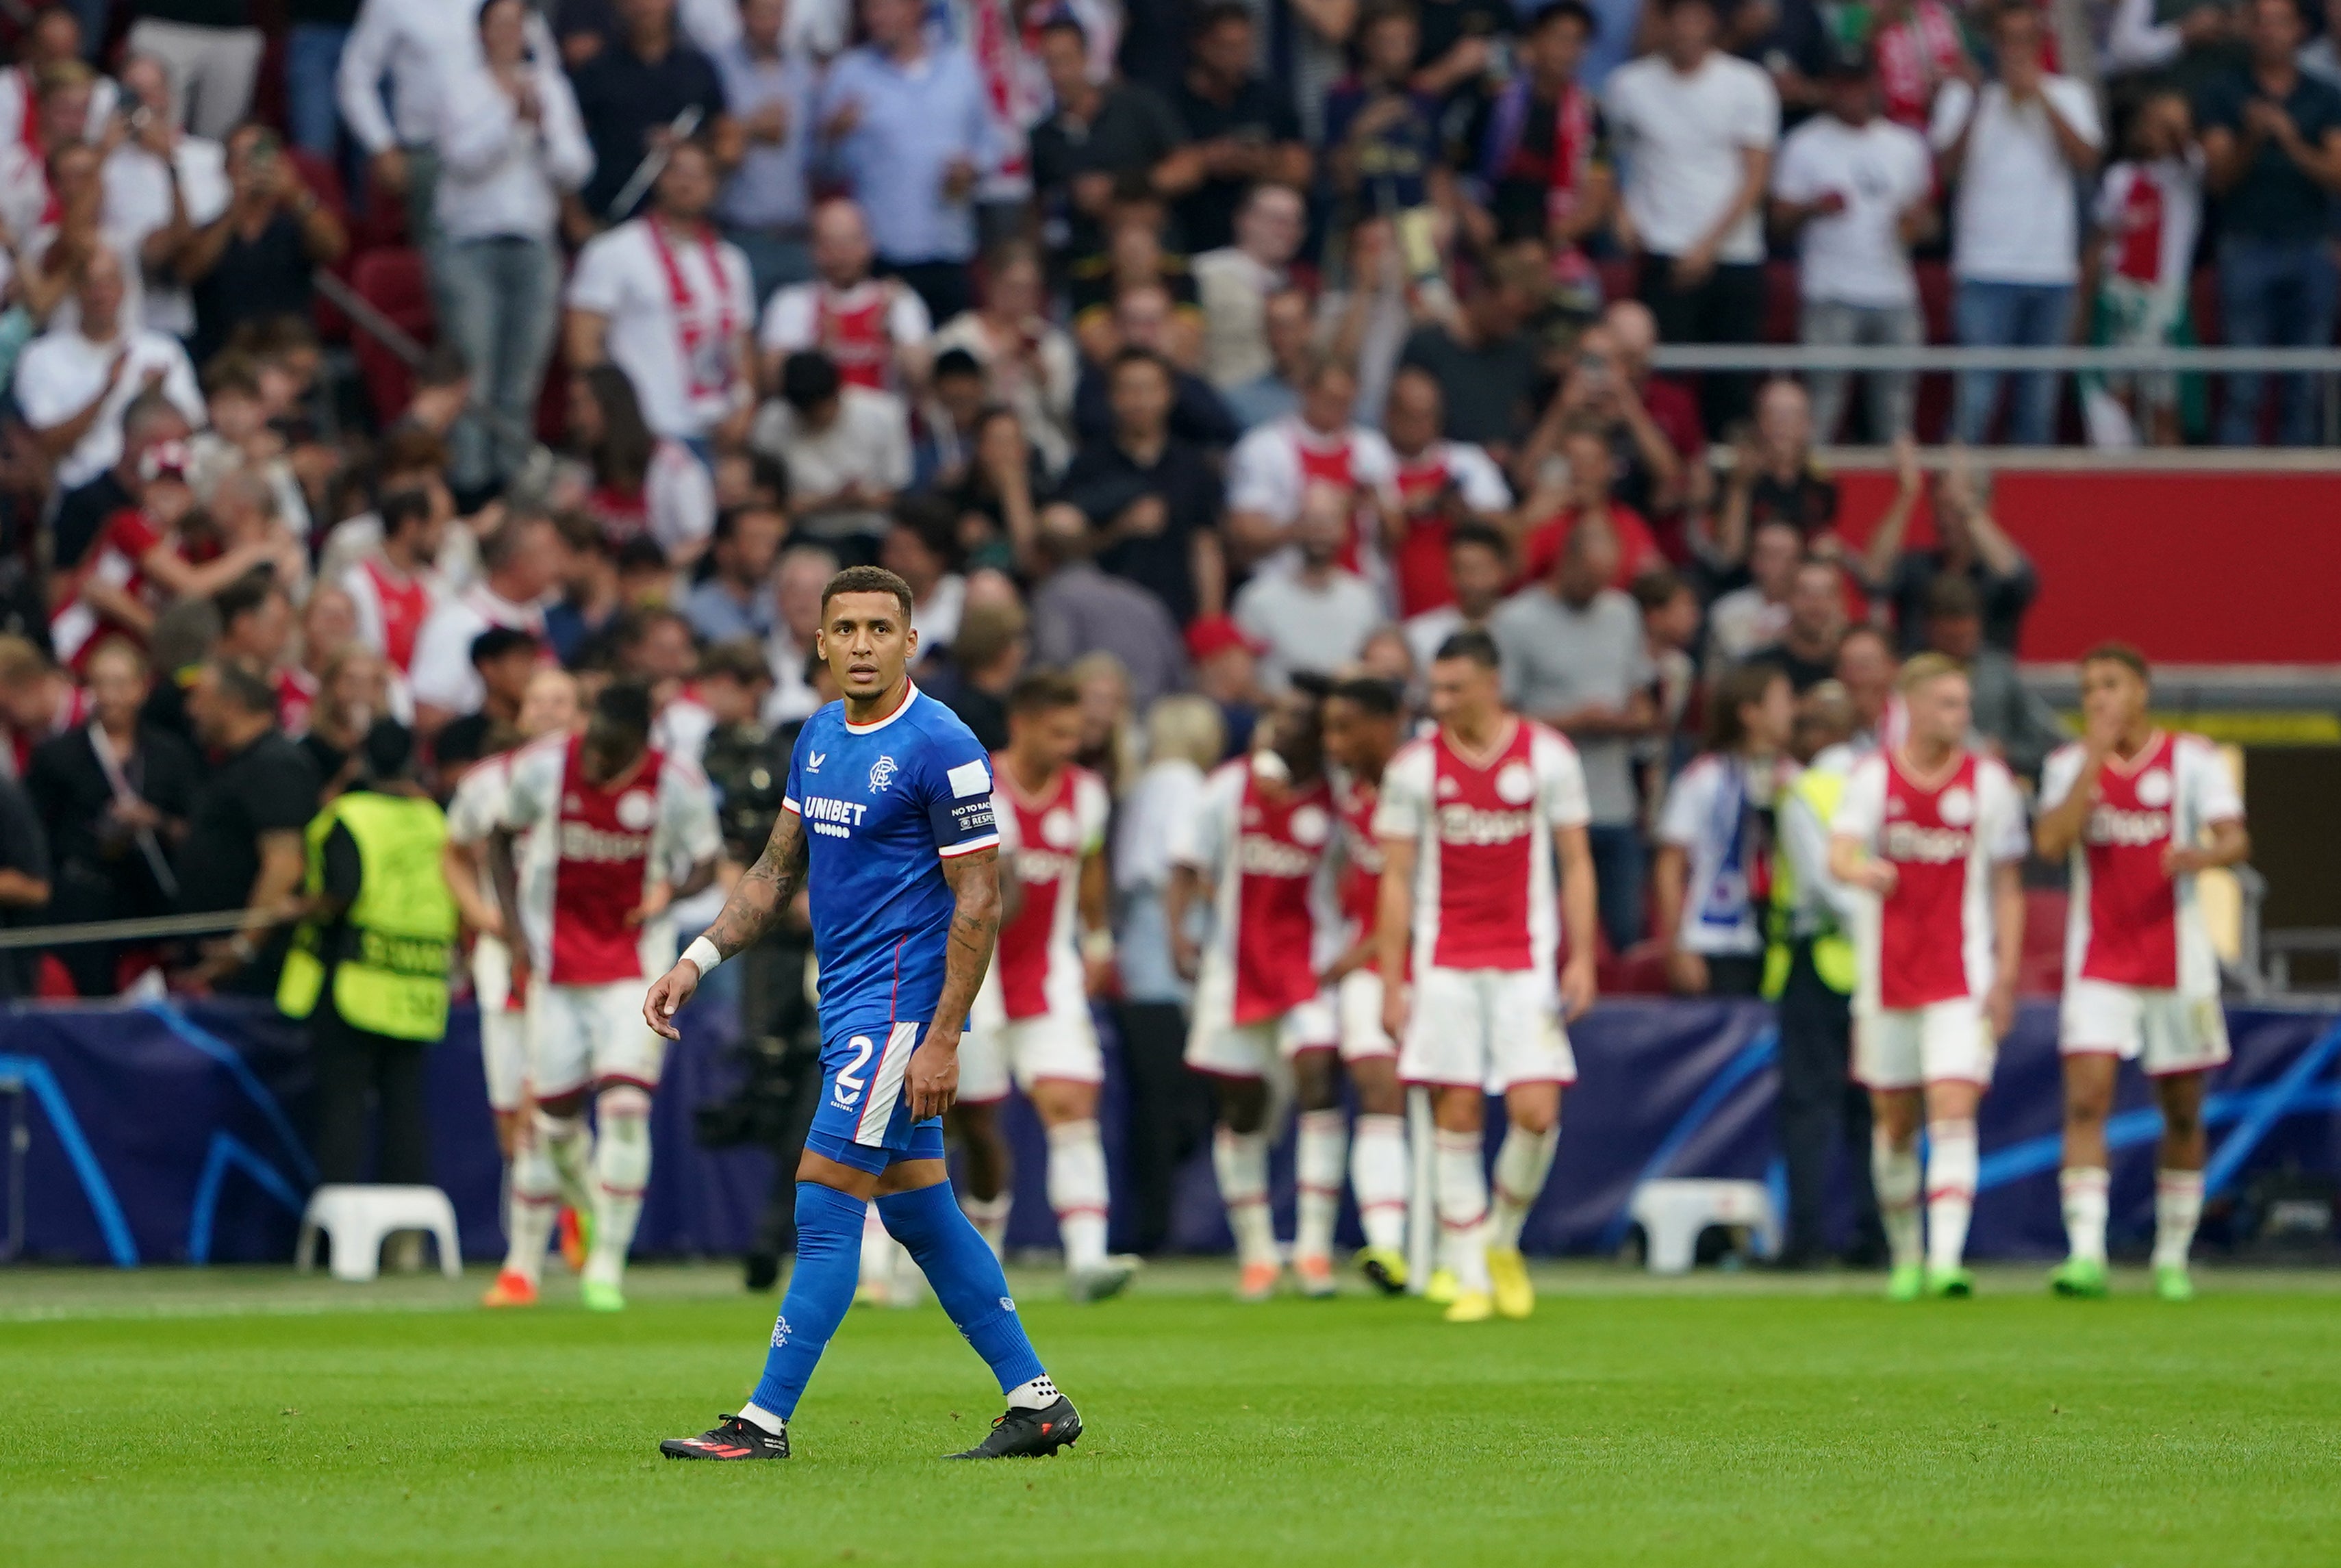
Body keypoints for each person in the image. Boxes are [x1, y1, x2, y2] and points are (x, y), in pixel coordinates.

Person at [647, 564, 1085, 1463]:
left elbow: (979, 899)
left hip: (897, 1011)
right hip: (846, 1001)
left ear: (908, 640)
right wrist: (696, 957)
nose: (859, 645)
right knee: (922, 1212)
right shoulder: (814, 735)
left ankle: (761, 1420)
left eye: (878, 629)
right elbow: (774, 870)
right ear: (818, 640)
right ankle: (1037, 1401)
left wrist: (939, 1038)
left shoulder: (943, 744)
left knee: (823, 1196)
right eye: (843, 628)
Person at [1376, 629, 1598, 1323]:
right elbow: (1395, 876)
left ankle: (1500, 1239)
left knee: (1537, 1113)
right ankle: (1469, 1272)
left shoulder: (1547, 755)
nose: (1439, 701)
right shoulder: (1414, 766)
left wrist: (1582, 955)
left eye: (1453, 688)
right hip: (1443, 964)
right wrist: (1392, 979)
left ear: (1491, 684)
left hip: (1524, 962)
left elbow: (1576, 861)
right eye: (1434, 688)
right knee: (1458, 1111)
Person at [482, 681, 720, 1311]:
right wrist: (513, 934)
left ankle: (606, 1267)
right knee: (552, 1125)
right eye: (594, 749)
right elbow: (497, 839)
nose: (598, 764)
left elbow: (705, 859)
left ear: (640, 745)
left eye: (613, 754)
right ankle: (587, 1208)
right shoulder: (543, 769)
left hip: (631, 976)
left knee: (622, 1110)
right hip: (556, 975)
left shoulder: (677, 785)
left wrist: (669, 891)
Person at [2034, 644, 2249, 1304]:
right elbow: (2050, 843)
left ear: (2141, 691)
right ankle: (2086, 1254)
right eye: (2087, 688)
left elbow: (2236, 838)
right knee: (2085, 1098)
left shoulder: (2192, 760)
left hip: (2176, 963)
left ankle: (2171, 1254)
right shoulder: (2068, 765)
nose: (2098, 698)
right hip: (2097, 961)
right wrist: (2093, 759)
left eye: (2110, 685)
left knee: (2181, 1111)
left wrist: (2201, 857)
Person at [1827, 654, 2027, 1302]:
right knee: (1893, 1122)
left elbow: (2007, 886)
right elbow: (1839, 855)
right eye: (1946, 703)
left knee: (1952, 1105)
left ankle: (1945, 1258)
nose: (1959, 716)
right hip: (1885, 977)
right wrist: (1862, 871)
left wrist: (2003, 977)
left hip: (1960, 976)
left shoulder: (1989, 784)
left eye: (1963, 705)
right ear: (1909, 705)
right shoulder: (1870, 778)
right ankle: (1906, 1253)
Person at [950, 672, 1135, 1302]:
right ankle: (977, 1262)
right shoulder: (975, 784)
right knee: (971, 1124)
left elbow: (1089, 869)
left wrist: (1099, 943)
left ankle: (1088, 1259)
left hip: (1049, 977)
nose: (1069, 746)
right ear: (1022, 724)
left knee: (1071, 1106)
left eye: (1075, 734)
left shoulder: (1086, 794)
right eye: (1057, 733)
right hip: (977, 979)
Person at [1168, 680, 1343, 1300]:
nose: (1287, 729)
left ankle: (1316, 1251)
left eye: (1303, 720)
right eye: (1282, 717)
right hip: (1234, 967)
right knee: (1241, 1108)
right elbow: (1187, 864)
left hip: (1312, 968)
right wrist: (1179, 936)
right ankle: (1259, 1253)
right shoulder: (1228, 786)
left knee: (1318, 1076)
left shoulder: (1339, 795)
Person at [275, 719, 456, 1187]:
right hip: (418, 982)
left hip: (355, 982)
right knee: (406, 1109)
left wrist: (297, 906)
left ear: (362, 760)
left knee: (343, 1107)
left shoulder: (350, 815)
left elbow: (342, 891)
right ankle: (407, 1236)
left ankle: (339, 1229)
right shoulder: (434, 819)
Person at [432, 0, 594, 496]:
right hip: (469, 247)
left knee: (521, 380)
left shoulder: (550, 86)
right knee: (474, 378)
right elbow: (462, 160)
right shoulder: (458, 87)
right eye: (498, 24)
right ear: (480, 32)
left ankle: (510, 490)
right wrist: (512, 121)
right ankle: (469, 485)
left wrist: (541, 126)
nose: (508, 33)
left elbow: (576, 167)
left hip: (533, 243)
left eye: (516, 24)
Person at [442, 668, 581, 1241]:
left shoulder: (596, 783)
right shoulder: (485, 783)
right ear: (520, 715)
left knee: (542, 1102)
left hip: (569, 960)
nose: (548, 711)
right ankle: (582, 1205)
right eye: (537, 701)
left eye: (561, 701)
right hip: (503, 960)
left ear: (579, 716)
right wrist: (484, 916)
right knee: (509, 1118)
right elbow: (451, 854)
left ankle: (529, 1252)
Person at [1604, 0, 1780, 433]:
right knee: (1661, 380)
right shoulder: (1628, 86)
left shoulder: (1747, 84)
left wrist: (1707, 246)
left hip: (1734, 255)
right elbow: (1604, 158)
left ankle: (1728, 487)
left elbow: (1756, 175)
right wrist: (1620, 211)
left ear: (1712, 23)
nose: (1687, 28)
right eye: (1677, 16)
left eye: (1697, 17)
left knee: (1731, 383)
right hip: (1661, 251)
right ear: (1662, 23)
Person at [1931, 0, 2102, 446]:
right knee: (1974, 404)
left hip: (2051, 274)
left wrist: (2040, 96)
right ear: (1993, 44)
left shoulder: (2068, 94)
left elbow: (2086, 161)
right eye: (2006, 41)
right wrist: (1973, 101)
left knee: (2037, 410)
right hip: (1983, 270)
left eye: (2025, 40)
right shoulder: (1963, 94)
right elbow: (1946, 170)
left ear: (2039, 44)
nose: (2015, 51)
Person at [1489, 522, 1654, 955]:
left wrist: (1636, 717)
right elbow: (1497, 716)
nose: (1597, 590)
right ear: (1566, 561)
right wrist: (1574, 720)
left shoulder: (1622, 613)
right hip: (1544, 802)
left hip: (1614, 798)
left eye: (1607, 579)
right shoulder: (1517, 620)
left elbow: (1636, 690)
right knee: (1546, 929)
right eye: (1590, 577)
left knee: (1627, 931)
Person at [1762, 680, 1883, 1268]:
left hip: (1818, 964)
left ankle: (1807, 1239)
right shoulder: (1880, 783)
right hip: (1879, 968)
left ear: (1824, 732)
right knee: (1877, 1108)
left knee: (1809, 1107)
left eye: (1806, 723)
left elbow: (1823, 883)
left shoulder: (1804, 791)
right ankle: (1878, 1237)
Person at [1770, 45, 1934, 444]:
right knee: (1822, 409)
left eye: (1859, 86)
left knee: (1895, 414)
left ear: (1874, 86)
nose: (1852, 95)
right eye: (1842, 87)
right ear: (1830, 89)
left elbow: (1929, 223)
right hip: (1830, 291)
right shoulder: (1804, 143)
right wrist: (1813, 208)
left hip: (1894, 291)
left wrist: (1914, 223)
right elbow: (1778, 222)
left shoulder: (1905, 145)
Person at [2199, 0, 2341, 446]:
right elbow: (2218, 178)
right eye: (2259, 22)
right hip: (2244, 246)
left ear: (2299, 30)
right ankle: (2230, 495)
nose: (2268, 32)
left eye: (2278, 22)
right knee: (2243, 385)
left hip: (2311, 247)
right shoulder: (2223, 91)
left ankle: (2297, 500)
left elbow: (2336, 175)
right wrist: (2251, 138)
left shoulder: (2325, 95)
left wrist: (2288, 138)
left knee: (2304, 385)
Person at [25, 637, 199, 997]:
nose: (110, 696)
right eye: (99, 684)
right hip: (81, 904)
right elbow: (36, 836)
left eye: (120, 684)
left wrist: (155, 822)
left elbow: (194, 829)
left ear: (141, 689)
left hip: (149, 901)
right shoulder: (57, 756)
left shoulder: (171, 754)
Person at [566, 139, 758, 455]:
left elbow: (742, 343)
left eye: (700, 175)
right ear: (657, 178)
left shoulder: (732, 261)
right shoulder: (613, 251)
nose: (687, 183)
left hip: (715, 431)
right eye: (677, 171)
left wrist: (744, 408)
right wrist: (617, 422)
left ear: (715, 186)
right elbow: (583, 343)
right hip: (645, 431)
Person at [1317, 674, 1414, 1291]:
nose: (1333, 741)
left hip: (1433, 960)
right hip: (1369, 963)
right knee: (1376, 1084)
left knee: (1440, 1100)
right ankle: (1388, 1247)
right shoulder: (1352, 788)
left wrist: (1371, 948)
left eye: (1344, 728)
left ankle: (1448, 1244)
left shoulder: (1424, 782)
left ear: (1384, 726)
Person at [812, 0, 994, 323]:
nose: (875, 17)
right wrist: (834, 136)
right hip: (882, 256)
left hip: (949, 249)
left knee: (951, 363)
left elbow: (990, 143)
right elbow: (820, 165)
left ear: (916, 8)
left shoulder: (960, 68)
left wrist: (972, 169)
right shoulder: (850, 74)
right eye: (869, 9)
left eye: (885, 7)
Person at [176, 657, 322, 994]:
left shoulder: (275, 765)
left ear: (232, 704)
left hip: (258, 972)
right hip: (222, 961)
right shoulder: (235, 762)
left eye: (200, 699)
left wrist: (244, 947)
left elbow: (285, 866)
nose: (191, 710)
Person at [1054, 346, 1227, 626]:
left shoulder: (1193, 466)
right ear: (1111, 397)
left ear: (1168, 394)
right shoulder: (1088, 467)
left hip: (1178, 618)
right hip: (1105, 619)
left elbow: (1205, 547)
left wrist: (1210, 623)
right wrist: (1119, 529)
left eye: (1148, 389)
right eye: (1129, 390)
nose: (1139, 401)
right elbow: (1064, 549)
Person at [1653, 661, 1797, 997]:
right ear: (1751, 713)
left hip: (1781, 934)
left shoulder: (1796, 778)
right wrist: (1676, 948)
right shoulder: (1703, 778)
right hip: (1715, 939)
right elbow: (1669, 865)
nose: (1793, 710)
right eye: (1783, 700)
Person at [16, 246, 205, 495]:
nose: (101, 294)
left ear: (124, 288)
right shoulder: (41, 357)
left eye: (109, 282)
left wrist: (153, 399)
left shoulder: (162, 351)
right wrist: (106, 391)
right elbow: (45, 444)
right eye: (91, 283)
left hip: (149, 491)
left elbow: (195, 428)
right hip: (78, 491)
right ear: (76, 289)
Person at [179, 123, 349, 366]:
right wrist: (236, 207)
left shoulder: (294, 226)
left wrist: (295, 194)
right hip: (225, 365)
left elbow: (335, 248)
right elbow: (189, 270)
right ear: (227, 169)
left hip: (288, 361)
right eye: (242, 157)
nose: (253, 166)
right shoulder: (210, 229)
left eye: (260, 155)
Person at [1224, 355, 1396, 572]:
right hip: (1286, 585)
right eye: (1330, 399)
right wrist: (1307, 527)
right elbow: (1243, 532)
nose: (1337, 408)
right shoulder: (1263, 447)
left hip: (1357, 589)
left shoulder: (1372, 449)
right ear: (1307, 391)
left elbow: (1396, 537)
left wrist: (1374, 501)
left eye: (1345, 401)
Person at [1859, 450, 2037, 656]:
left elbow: (2018, 579)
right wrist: (1905, 495)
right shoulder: (1918, 567)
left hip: (1982, 681)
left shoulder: (1994, 575)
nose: (1945, 520)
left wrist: (1968, 509)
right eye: (1940, 508)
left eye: (1953, 509)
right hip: (1919, 677)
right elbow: (1872, 576)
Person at [1169, 3, 1313, 254]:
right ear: (1200, 44)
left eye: (1244, 46)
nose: (1236, 56)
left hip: (1259, 238)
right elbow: (1159, 176)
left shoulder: (1268, 98)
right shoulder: (1170, 100)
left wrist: (1258, 162)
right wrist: (1209, 159)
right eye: (1226, 46)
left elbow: (1301, 170)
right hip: (1190, 227)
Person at [568, 0, 728, 223]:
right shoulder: (595, 73)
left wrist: (688, 146)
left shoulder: (699, 70)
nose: (644, 6)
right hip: (613, 218)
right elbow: (568, 148)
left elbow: (725, 143)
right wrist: (578, 222)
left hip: (684, 226)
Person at [758, 198, 933, 397]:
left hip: (882, 419)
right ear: (813, 249)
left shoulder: (899, 300)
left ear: (869, 244)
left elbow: (922, 381)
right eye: (830, 244)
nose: (841, 254)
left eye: (850, 242)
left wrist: (891, 335)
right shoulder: (792, 302)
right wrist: (817, 350)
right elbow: (773, 383)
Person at [1380, 365, 1515, 621]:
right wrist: (1405, 510)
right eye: (1411, 416)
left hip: (1463, 610)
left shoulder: (1468, 462)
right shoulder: (1371, 461)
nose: (1421, 425)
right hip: (1392, 608)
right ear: (1390, 414)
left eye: (1428, 416)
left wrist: (1466, 515)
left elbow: (1508, 531)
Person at [409, 511, 560, 735]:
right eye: (550, 554)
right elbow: (428, 715)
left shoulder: (533, 613)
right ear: (518, 563)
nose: (559, 566)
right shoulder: (458, 623)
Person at [713, 0, 818, 305]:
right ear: (740, 14)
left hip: (796, 236)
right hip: (741, 234)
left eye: (777, 12)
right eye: (761, 13)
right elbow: (705, 144)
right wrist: (749, 129)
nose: (770, 23)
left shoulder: (801, 72)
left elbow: (815, 157)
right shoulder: (717, 68)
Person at [1231, 483, 1384, 690]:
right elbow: (1241, 677)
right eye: (1311, 521)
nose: (1320, 530)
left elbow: (1377, 668)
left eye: (1329, 521)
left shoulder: (1364, 598)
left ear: (1345, 530)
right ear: (1295, 526)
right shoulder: (1257, 599)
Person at [753, 349, 911, 551]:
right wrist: (833, 500)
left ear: (837, 393)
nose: (816, 419)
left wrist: (859, 499)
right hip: (799, 533)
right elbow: (770, 502)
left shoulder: (884, 414)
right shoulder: (771, 423)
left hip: (868, 531)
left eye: (820, 409)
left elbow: (896, 492)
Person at [560, 364, 719, 564]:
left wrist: (649, 571)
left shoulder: (672, 465)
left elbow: (699, 539)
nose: (574, 418)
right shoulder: (583, 467)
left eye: (580, 405)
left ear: (610, 405)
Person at [1921, 577, 2066, 782]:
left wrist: (2008, 753)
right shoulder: (1911, 677)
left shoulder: (1999, 674)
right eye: (1951, 639)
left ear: (1979, 625)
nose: (1959, 647)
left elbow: (2046, 740)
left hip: (1993, 782)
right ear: (1930, 629)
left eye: (1967, 637)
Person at [1191, 184, 1305, 395]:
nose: (1286, 231)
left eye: (1294, 223)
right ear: (1244, 220)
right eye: (1277, 220)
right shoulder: (1204, 273)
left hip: (1280, 396)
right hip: (1221, 396)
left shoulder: (1293, 285)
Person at [339, 487, 443, 679]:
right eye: (436, 527)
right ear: (411, 527)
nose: (442, 536)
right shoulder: (357, 583)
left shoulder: (435, 586)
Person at [1402, 520, 1510, 676]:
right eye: (1462, 569)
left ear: (1502, 570)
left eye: (1480, 569)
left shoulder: (1524, 629)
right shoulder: (1420, 635)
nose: (1471, 581)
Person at [683, 502, 785, 644]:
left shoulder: (781, 602)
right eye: (755, 541)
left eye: (771, 542)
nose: (767, 552)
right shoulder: (695, 614)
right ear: (725, 549)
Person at [1748, 556, 1848, 692]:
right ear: (1787, 598)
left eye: (1827, 594)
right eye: (1805, 593)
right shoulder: (1760, 669)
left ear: (1840, 602)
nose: (1816, 603)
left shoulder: (1852, 668)